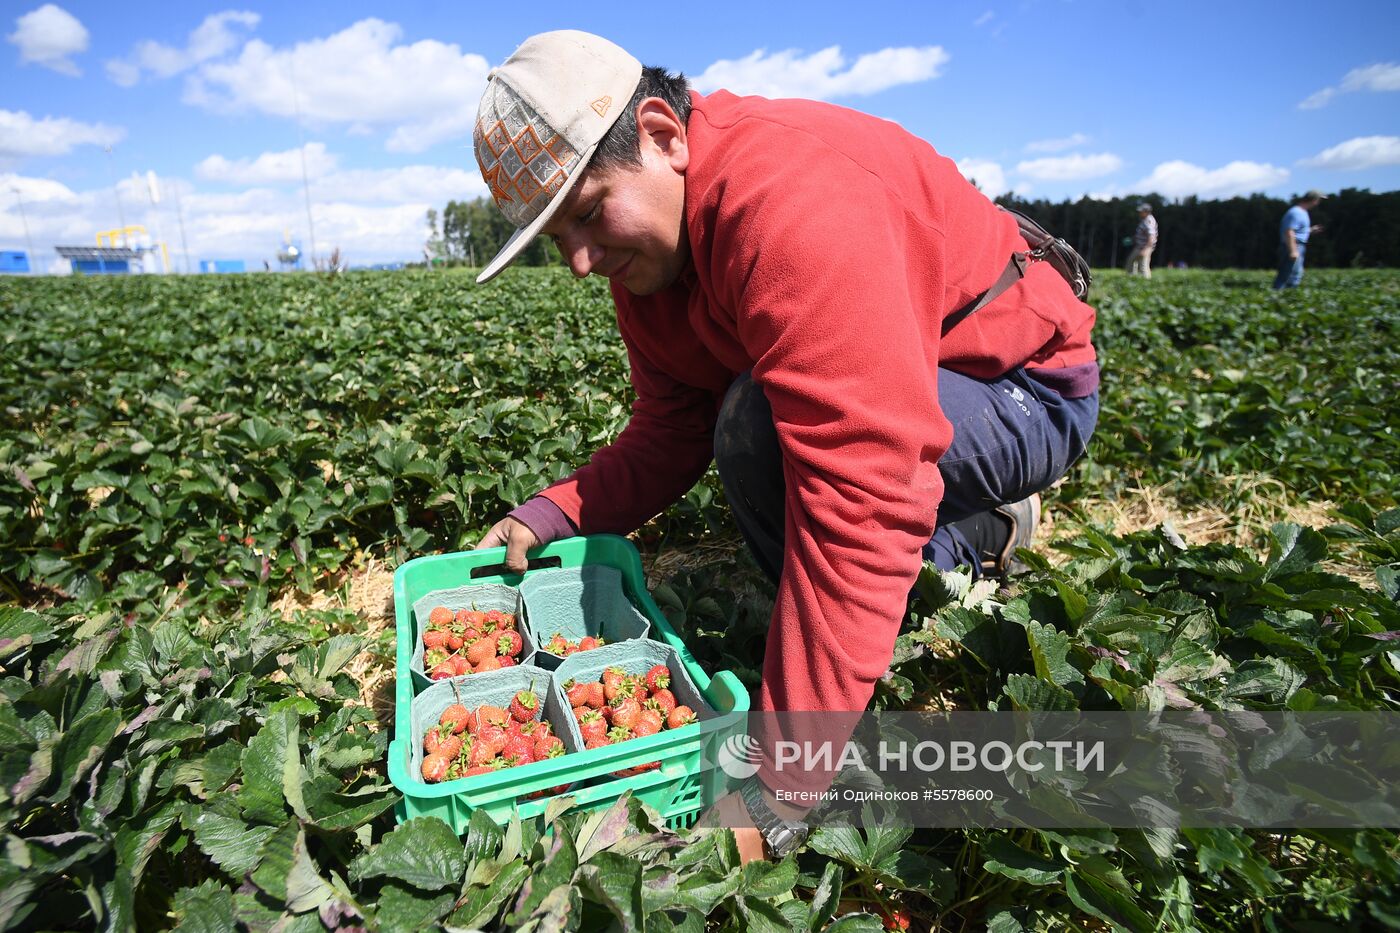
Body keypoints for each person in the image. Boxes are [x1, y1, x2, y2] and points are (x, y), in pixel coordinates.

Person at [470, 30, 1099, 859]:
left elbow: (862, 498)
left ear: (664, 137)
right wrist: (554, 512)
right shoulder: (649, 260)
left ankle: (977, 515)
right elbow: (672, 424)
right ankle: (981, 529)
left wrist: (779, 782)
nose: (582, 262)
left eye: (588, 213)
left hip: (1022, 385)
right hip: (913, 378)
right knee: (751, 424)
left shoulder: (790, 201)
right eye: (559, 241)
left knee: (769, 434)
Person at [1274, 190, 1325, 289]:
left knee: (1294, 274)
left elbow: (1298, 230)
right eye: (1318, 200)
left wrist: (1310, 230)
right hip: (1293, 245)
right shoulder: (1296, 212)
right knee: (1290, 274)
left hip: (1297, 245)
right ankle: (1281, 296)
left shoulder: (1302, 212)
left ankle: (1285, 297)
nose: (1318, 203)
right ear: (1313, 200)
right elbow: (1289, 231)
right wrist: (1293, 251)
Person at [1125, 202, 1157, 278]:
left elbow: (1152, 237)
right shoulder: (1145, 220)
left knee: (1143, 266)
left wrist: (1146, 249)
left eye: (1141, 211)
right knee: (1131, 261)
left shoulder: (1148, 221)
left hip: (1144, 247)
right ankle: (1132, 279)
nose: (1139, 212)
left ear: (1146, 211)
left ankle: (1146, 285)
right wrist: (1133, 239)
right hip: (1140, 246)